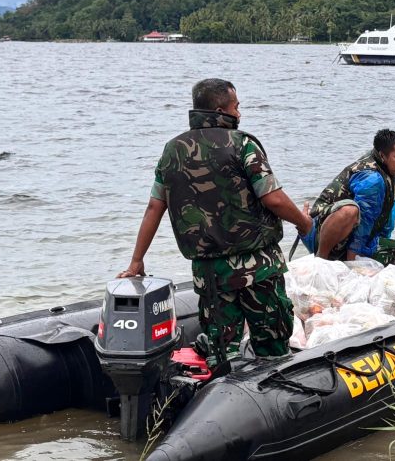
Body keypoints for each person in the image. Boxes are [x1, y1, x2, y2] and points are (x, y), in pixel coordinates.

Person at [118, 78, 312, 375]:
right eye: (236, 107)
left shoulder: (172, 150)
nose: (239, 114)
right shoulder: (242, 144)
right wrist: (304, 221)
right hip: (257, 266)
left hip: (209, 271)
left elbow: (155, 207)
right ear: (221, 109)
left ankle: (220, 391)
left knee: (221, 346)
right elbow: (272, 198)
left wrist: (136, 261)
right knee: (272, 343)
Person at [302, 129, 395, 265]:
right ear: (382, 155)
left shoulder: (390, 173)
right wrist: (354, 262)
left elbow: (387, 218)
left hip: (365, 239)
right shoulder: (372, 178)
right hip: (325, 234)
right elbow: (364, 221)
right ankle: (321, 261)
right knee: (350, 211)